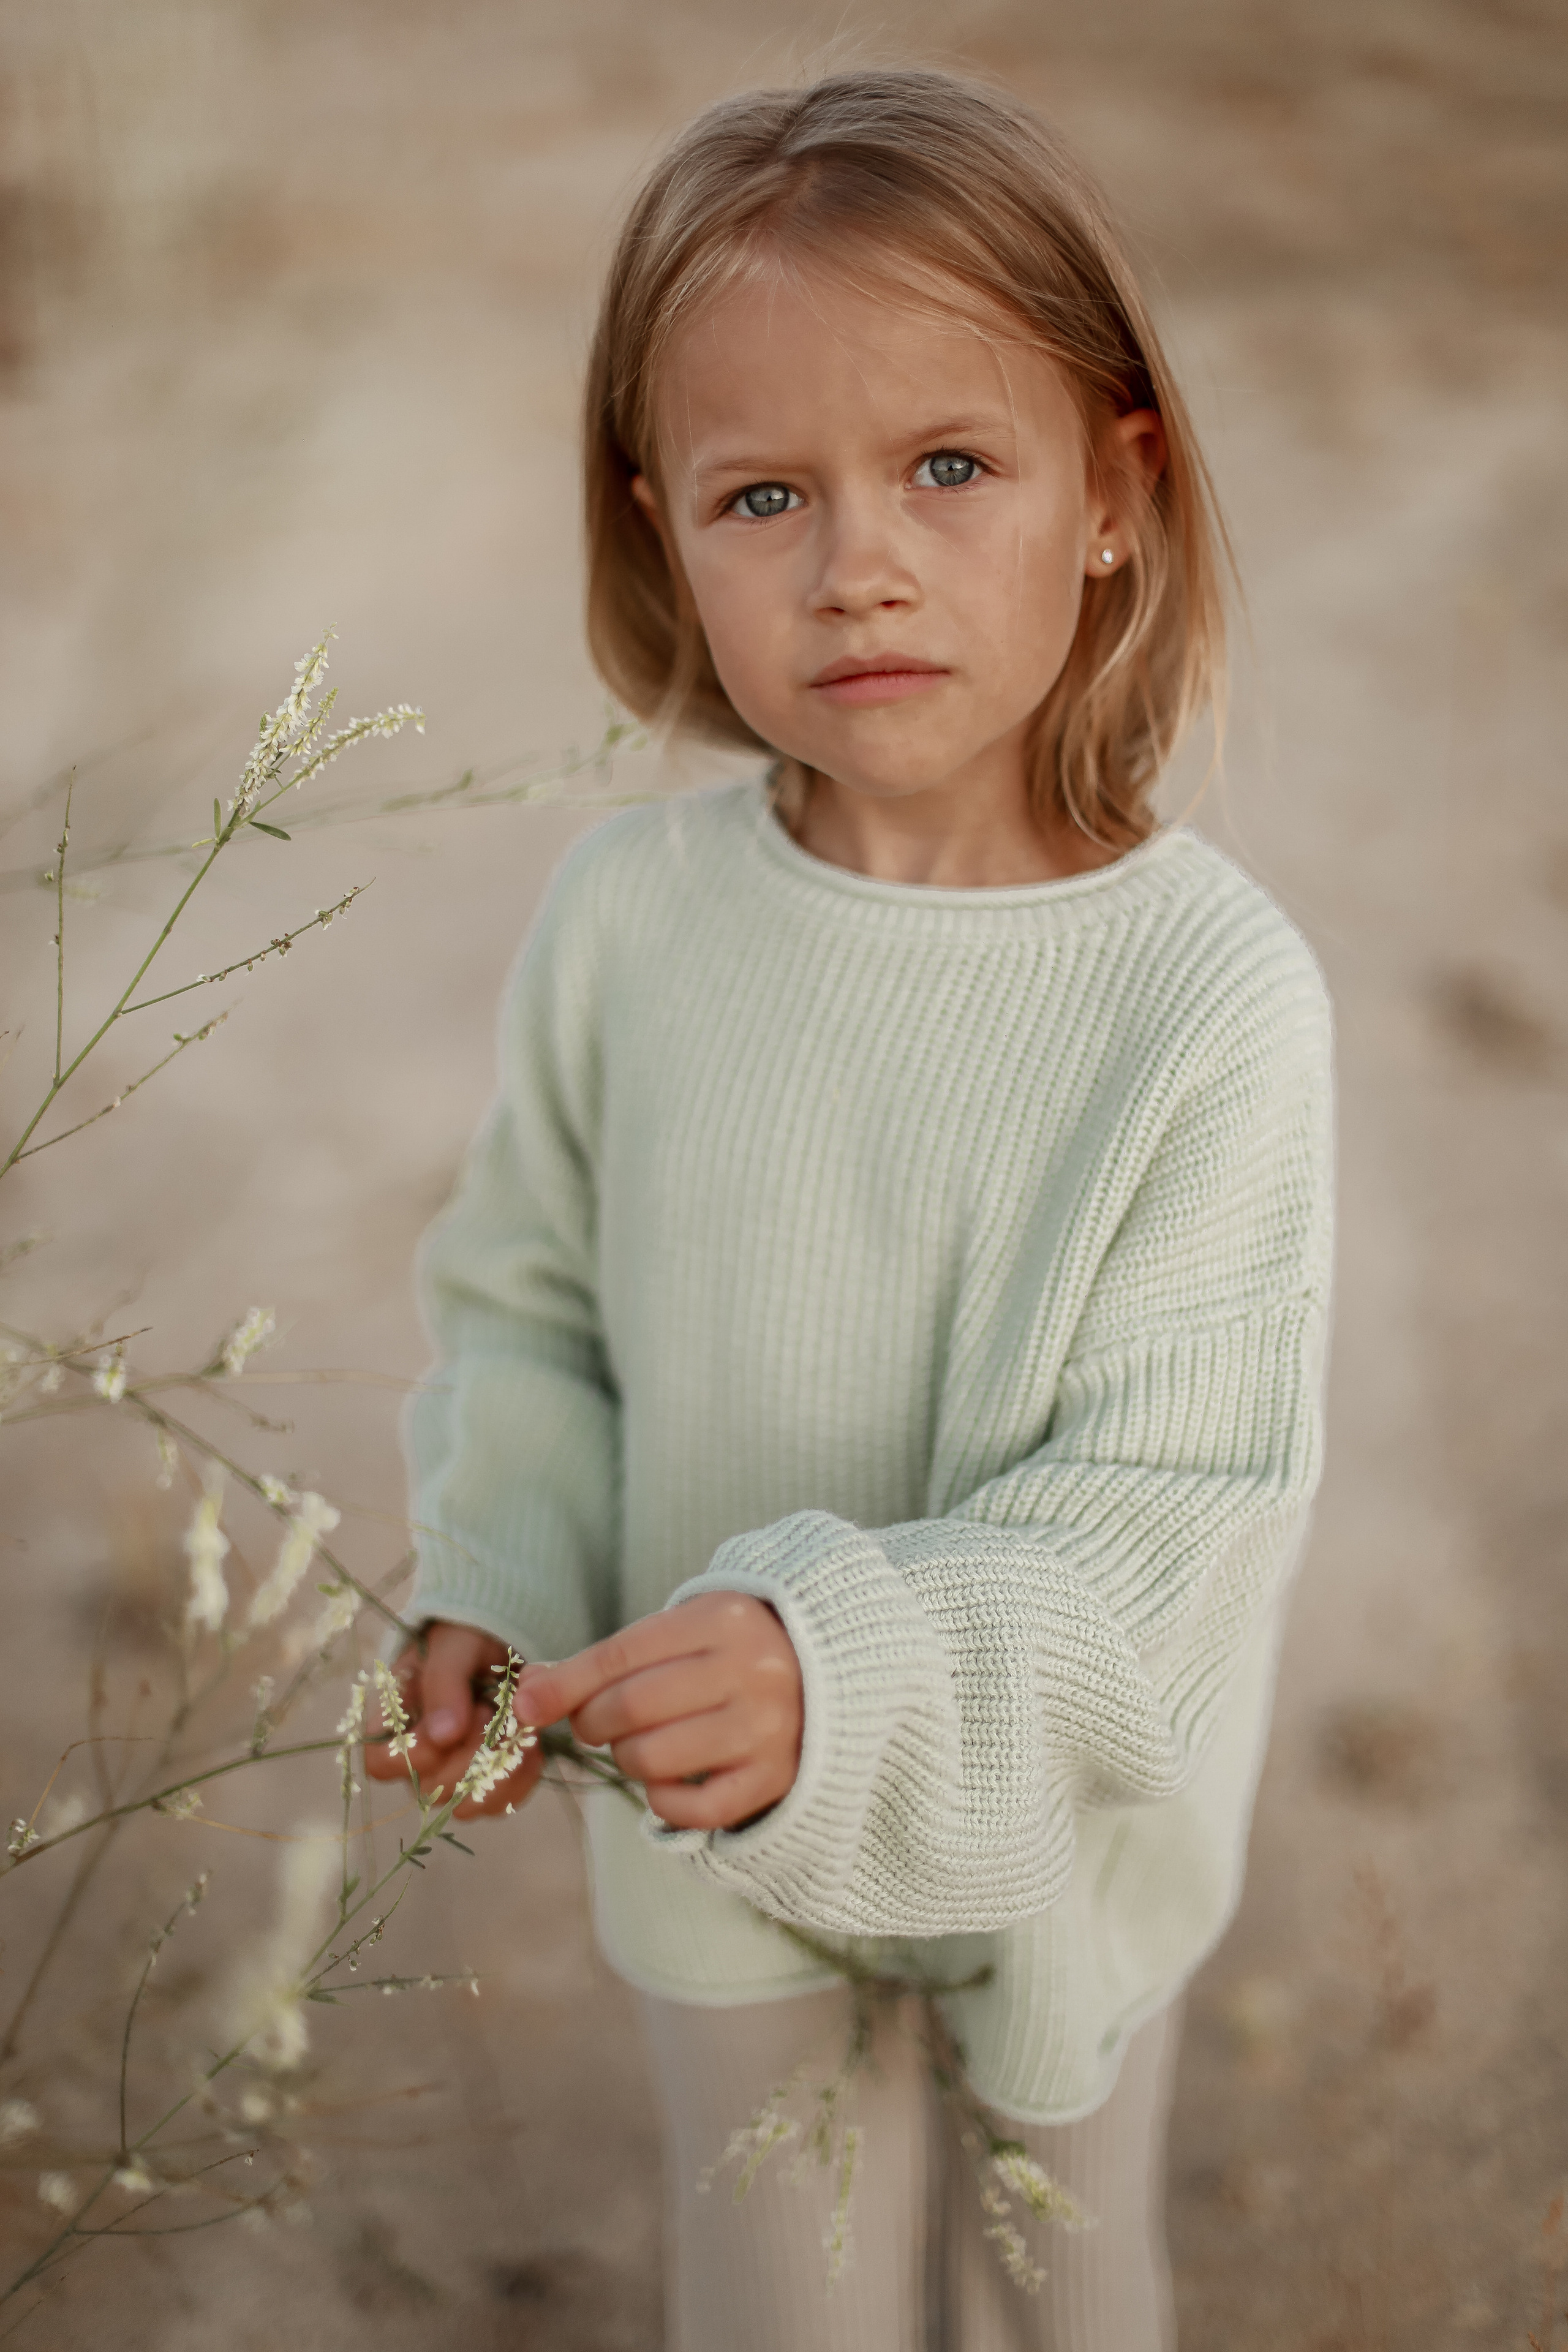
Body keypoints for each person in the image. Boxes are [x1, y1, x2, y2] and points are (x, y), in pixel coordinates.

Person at [365, 66, 1333, 2351]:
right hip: (709, 1825)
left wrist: (849, 1666)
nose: (856, 564)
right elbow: (531, 1306)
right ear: (663, 531)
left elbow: (1177, 1514)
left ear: (1118, 490)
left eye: (951, 468)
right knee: (772, 2304)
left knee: (1063, 2296)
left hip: (1061, 1851)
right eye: (764, 494)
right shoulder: (630, 920)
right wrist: (501, 1569)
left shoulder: (1206, 997)